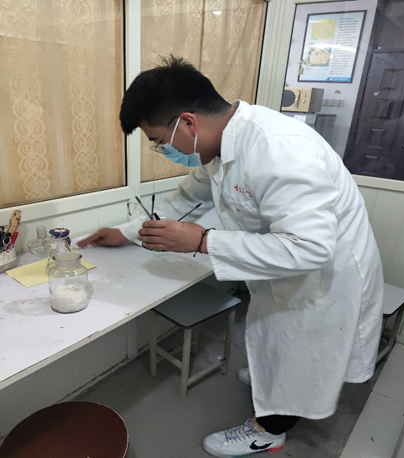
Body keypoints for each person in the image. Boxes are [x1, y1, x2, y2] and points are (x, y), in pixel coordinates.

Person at [78, 56, 384, 457]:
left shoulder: (279, 150)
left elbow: (310, 247)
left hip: (323, 278)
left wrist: (204, 241)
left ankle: (269, 432)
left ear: (187, 123)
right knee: (276, 339)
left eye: (158, 141)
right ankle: (272, 380)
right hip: (285, 272)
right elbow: (183, 201)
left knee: (297, 349)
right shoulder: (219, 147)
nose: (161, 150)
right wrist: (126, 232)